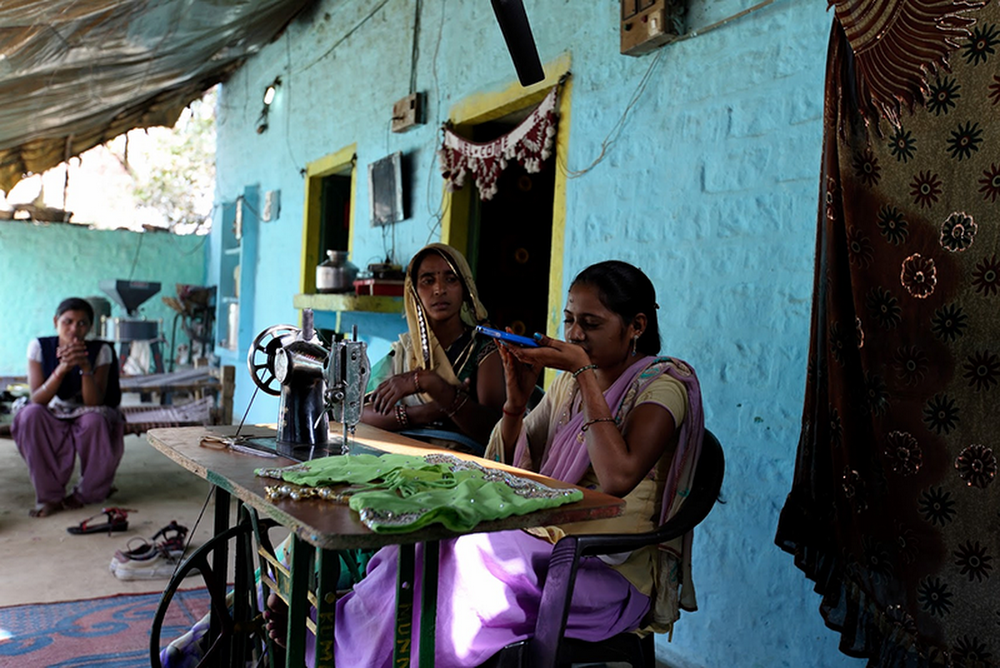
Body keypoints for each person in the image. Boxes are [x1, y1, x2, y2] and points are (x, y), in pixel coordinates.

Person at [322, 260, 705, 665]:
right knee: (424, 541)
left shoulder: (662, 386)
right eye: (570, 320)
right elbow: (505, 468)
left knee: (467, 561)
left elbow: (618, 476)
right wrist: (514, 407)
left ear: (637, 326)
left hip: (604, 570)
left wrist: (586, 375)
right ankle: (345, 645)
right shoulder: (570, 385)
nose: (575, 335)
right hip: (546, 541)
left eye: (591, 324)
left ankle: (383, 653)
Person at [363, 242, 506, 451]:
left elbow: (492, 430)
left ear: (465, 289)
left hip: (462, 467)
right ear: (414, 292)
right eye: (428, 281)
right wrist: (427, 412)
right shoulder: (406, 351)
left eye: (451, 279)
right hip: (404, 456)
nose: (439, 289)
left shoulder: (484, 349)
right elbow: (362, 413)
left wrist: (428, 383)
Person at [12, 297, 124, 518]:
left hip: (90, 411)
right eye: (68, 321)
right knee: (30, 416)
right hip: (53, 409)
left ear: (90, 327)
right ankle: (49, 496)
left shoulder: (102, 350)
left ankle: (87, 493)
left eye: (82, 323)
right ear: (56, 322)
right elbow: (38, 398)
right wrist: (62, 369)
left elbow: (94, 403)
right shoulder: (40, 347)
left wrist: (85, 368)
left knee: (95, 421)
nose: (74, 329)